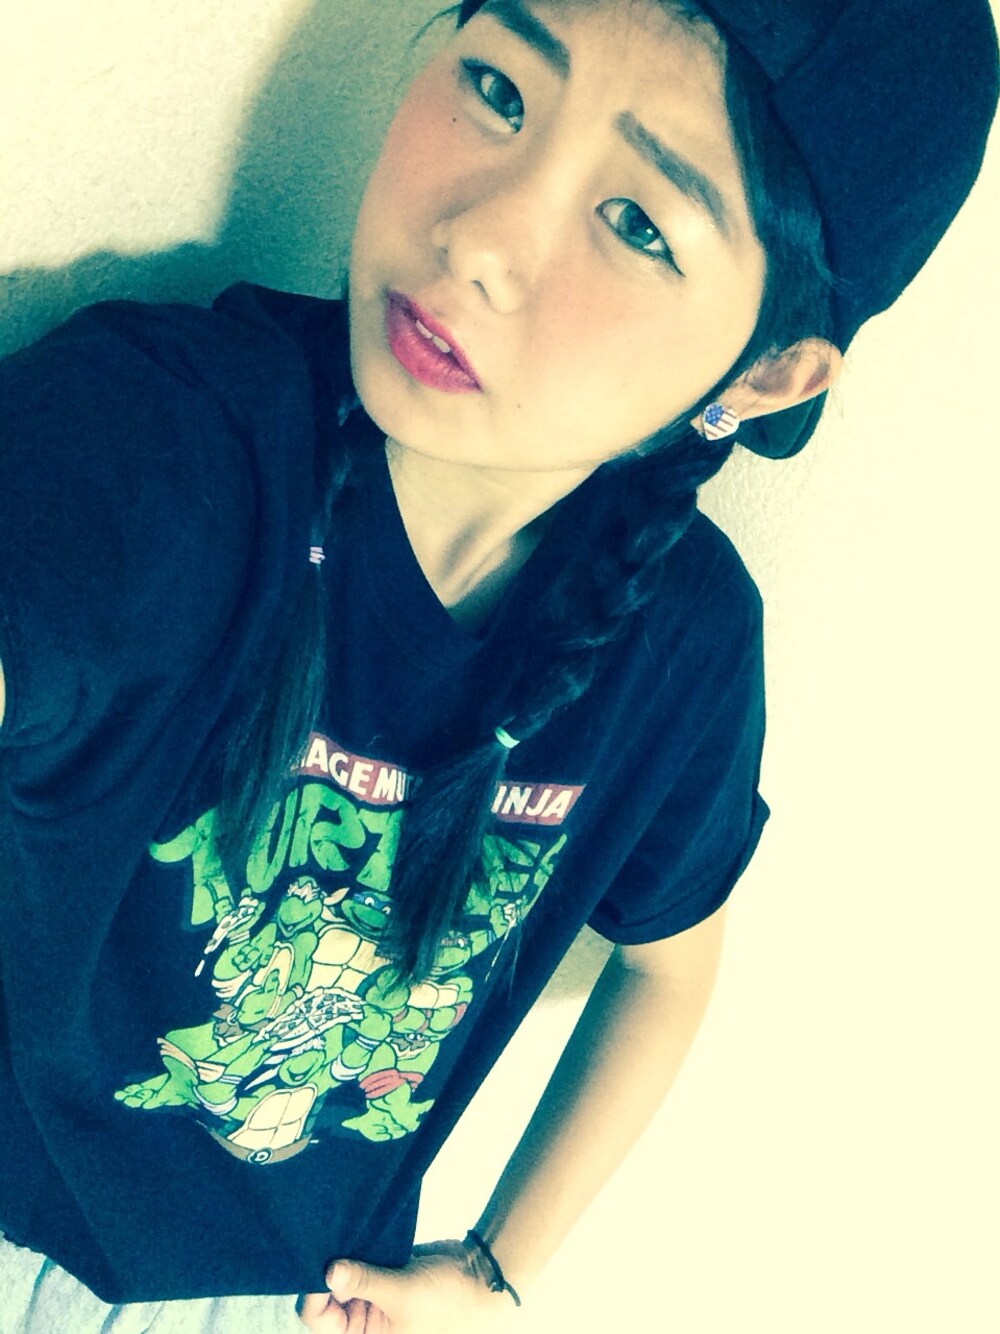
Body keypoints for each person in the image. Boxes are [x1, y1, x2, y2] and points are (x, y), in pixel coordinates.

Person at [0, 1, 996, 1331]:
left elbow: (666, 969)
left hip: (283, 1298)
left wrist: (496, 1268)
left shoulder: (684, 652)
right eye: (499, 89)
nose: (478, 238)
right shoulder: (164, 440)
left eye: (638, 221)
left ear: (765, 375)